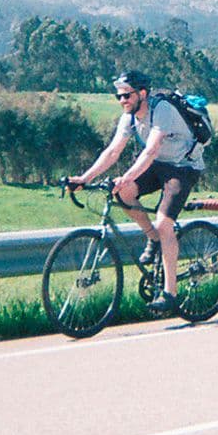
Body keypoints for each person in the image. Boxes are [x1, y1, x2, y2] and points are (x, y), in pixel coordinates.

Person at [66, 69, 204, 315]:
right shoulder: (128, 117)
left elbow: (150, 150)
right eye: (119, 97)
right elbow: (112, 152)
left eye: (127, 96)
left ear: (142, 93)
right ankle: (152, 238)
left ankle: (170, 293)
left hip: (183, 167)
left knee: (164, 223)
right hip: (159, 164)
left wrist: (125, 176)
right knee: (124, 193)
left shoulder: (161, 110)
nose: (122, 101)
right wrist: (84, 178)